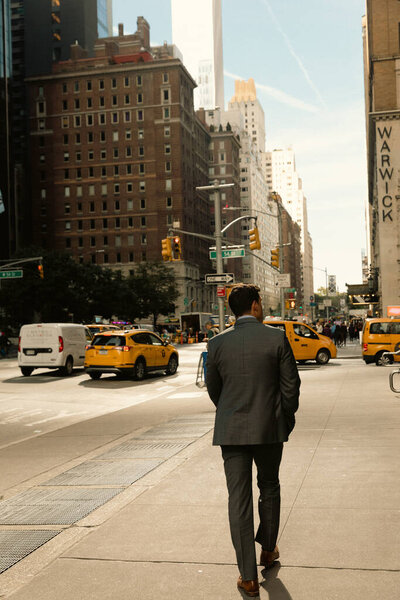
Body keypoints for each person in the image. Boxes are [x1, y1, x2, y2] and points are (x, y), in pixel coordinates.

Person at [206, 284, 300, 597]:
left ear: (234, 309)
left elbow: (214, 389)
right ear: (257, 306)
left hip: (231, 431)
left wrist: (231, 411)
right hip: (269, 428)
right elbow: (291, 388)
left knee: (239, 499)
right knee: (269, 486)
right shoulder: (276, 338)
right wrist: (284, 419)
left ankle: (247, 577)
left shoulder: (217, 343)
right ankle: (268, 549)